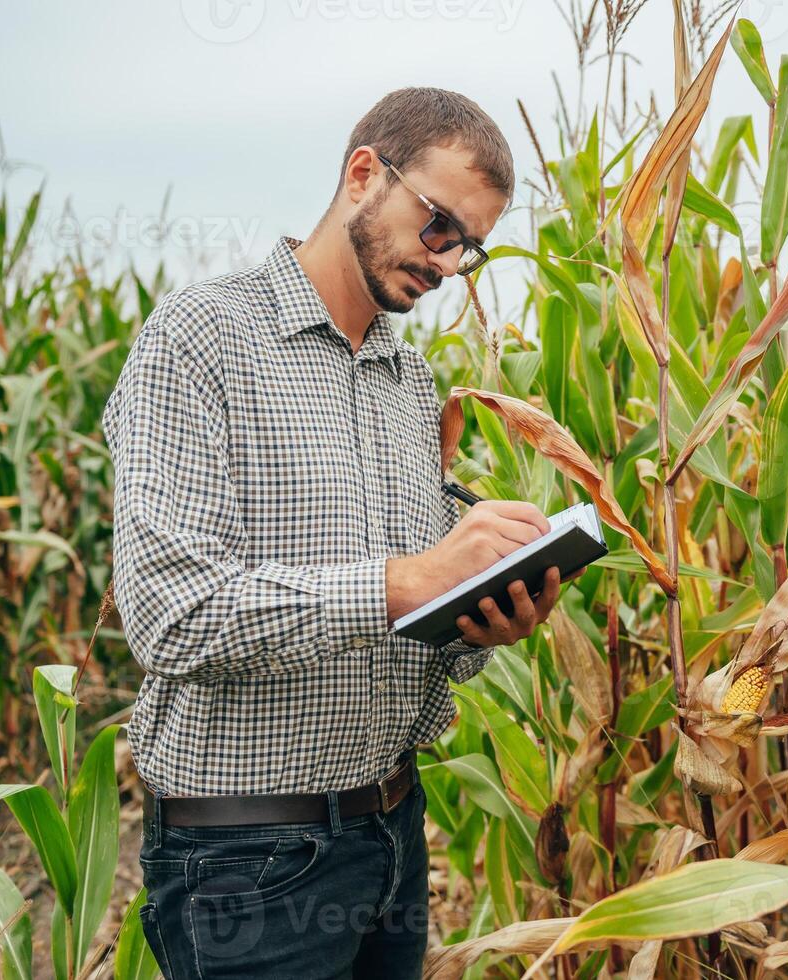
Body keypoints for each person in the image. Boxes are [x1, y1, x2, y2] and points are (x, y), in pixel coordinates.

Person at [102, 86, 573, 979]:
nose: (447, 264)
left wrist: (480, 617)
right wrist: (406, 578)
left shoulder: (408, 380)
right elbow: (169, 616)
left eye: (469, 248)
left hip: (390, 835)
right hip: (246, 864)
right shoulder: (202, 340)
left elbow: (412, 633)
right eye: (439, 226)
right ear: (364, 174)